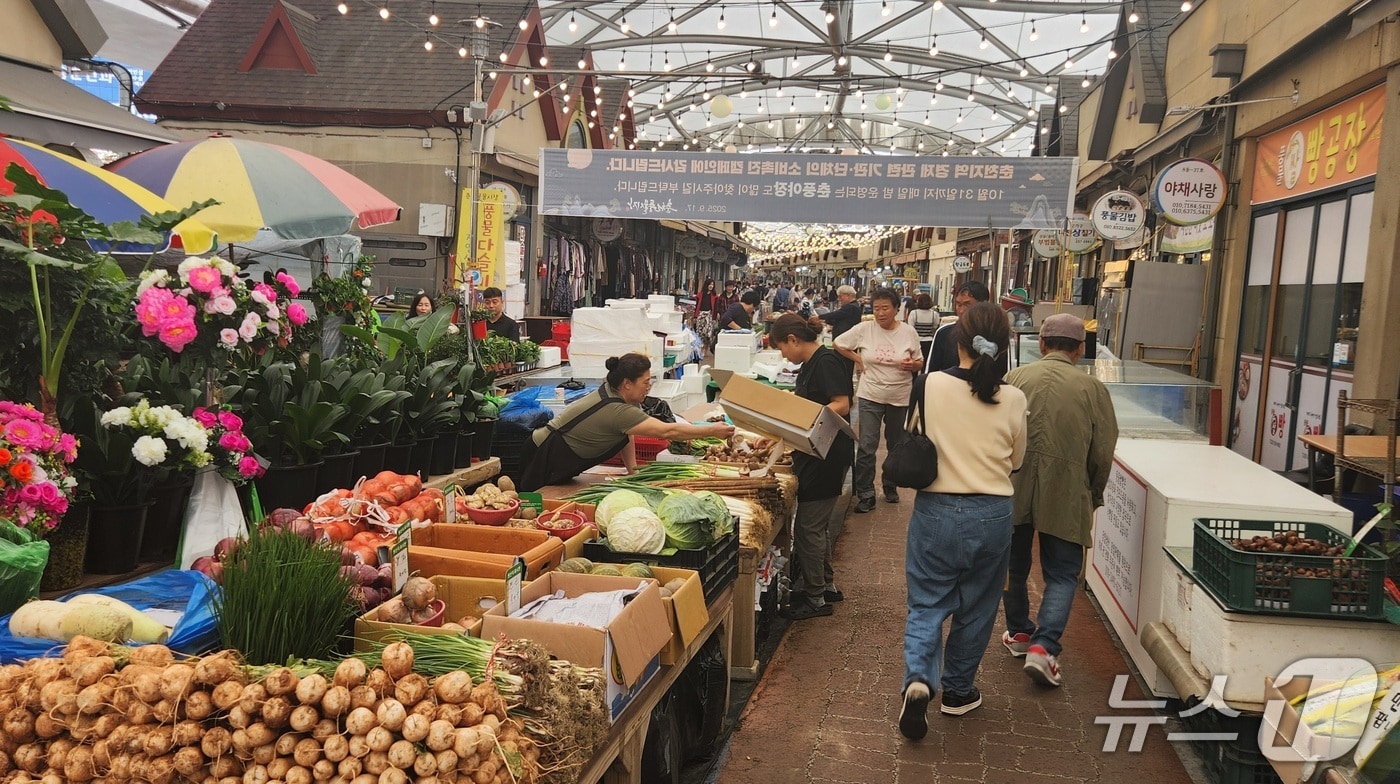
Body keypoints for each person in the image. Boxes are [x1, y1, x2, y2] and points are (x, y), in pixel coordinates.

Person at [899, 302, 1026, 741]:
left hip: (935, 510)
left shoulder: (930, 383)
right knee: (977, 607)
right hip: (992, 513)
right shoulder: (1013, 397)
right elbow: (1017, 458)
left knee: (927, 602)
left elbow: (914, 434)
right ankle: (956, 692)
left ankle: (918, 681)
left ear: (958, 341)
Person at [1000, 314, 1118, 687]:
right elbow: (1103, 451)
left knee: (1012, 566)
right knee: (1063, 573)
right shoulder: (1093, 388)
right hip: (1066, 489)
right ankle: (1044, 647)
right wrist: (1093, 492)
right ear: (1080, 350)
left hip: (1012, 485)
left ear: (1042, 344)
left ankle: (1020, 633)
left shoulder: (1015, 378)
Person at [517, 354, 733, 491]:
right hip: (541, 453)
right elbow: (667, 432)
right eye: (646, 382)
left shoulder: (618, 395)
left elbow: (625, 434)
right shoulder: (617, 409)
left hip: (552, 453)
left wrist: (633, 472)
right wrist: (712, 430)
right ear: (627, 383)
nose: (649, 387)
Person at [770, 314, 854, 620]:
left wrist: (805, 419)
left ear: (793, 339)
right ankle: (826, 585)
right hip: (816, 452)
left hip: (826, 455)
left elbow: (842, 404)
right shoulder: (811, 364)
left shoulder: (826, 361)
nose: (783, 355)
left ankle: (815, 598)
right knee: (817, 526)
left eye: (782, 348)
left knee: (808, 528)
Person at [834, 288, 923, 514]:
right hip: (870, 394)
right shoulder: (864, 329)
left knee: (895, 445)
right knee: (867, 445)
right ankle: (865, 493)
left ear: (896, 309)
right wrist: (859, 359)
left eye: (885, 308)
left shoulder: (908, 332)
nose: (880, 313)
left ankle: (890, 485)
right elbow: (838, 343)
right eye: (876, 309)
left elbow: (920, 362)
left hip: (900, 396)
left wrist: (912, 366)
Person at [925, 281, 1009, 375]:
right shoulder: (944, 333)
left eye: (967, 304)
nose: (961, 310)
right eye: (958, 304)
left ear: (983, 305)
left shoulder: (996, 332)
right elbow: (931, 371)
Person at [903, 293, 939, 366]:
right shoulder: (934, 314)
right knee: (926, 363)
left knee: (914, 362)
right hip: (929, 341)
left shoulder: (914, 313)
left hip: (916, 341)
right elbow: (935, 327)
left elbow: (910, 328)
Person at [694, 278, 722, 349]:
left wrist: (714, 317)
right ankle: (699, 347)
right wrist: (695, 316)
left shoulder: (715, 296)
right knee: (699, 332)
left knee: (708, 333)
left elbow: (715, 307)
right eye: (710, 284)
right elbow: (696, 306)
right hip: (700, 314)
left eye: (712, 284)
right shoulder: (700, 295)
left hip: (709, 315)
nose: (711, 286)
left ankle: (705, 348)